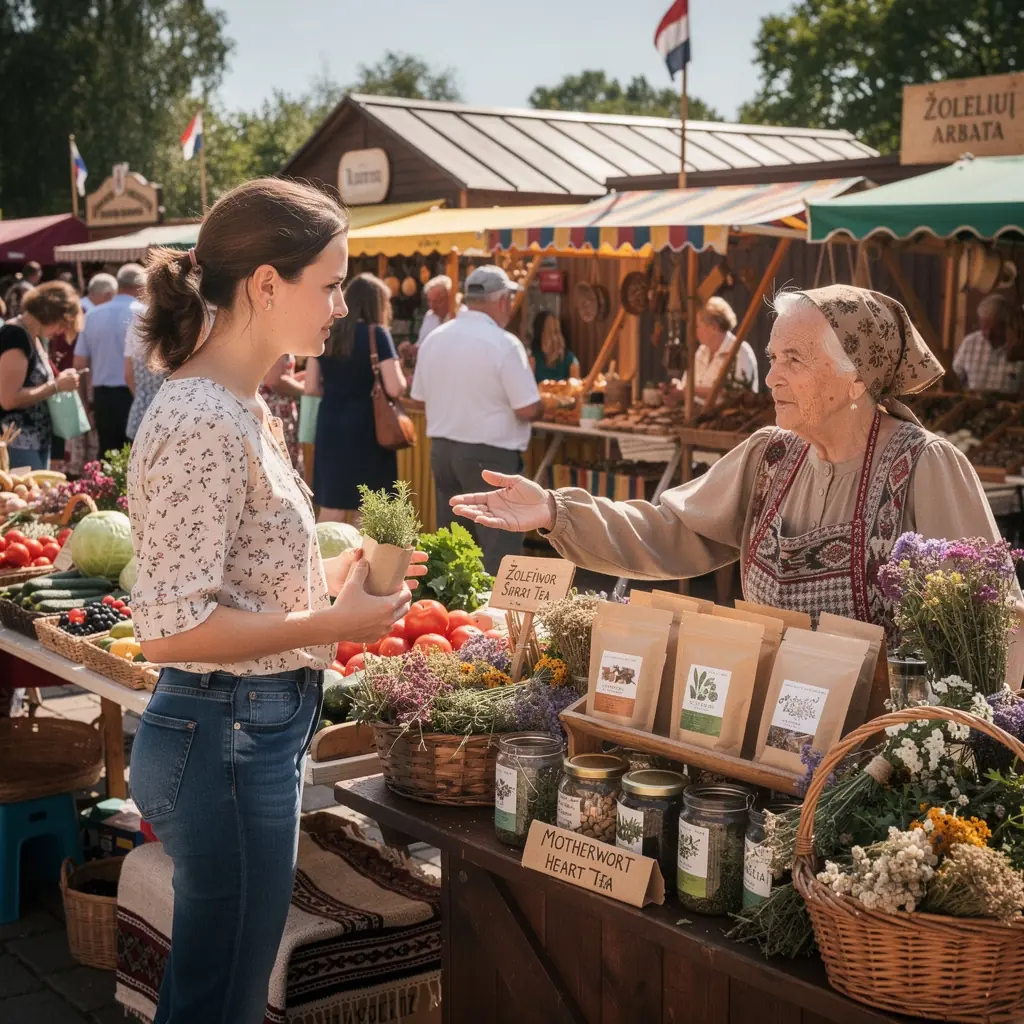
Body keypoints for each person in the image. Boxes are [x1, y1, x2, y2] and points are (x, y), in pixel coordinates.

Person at [127, 177, 426, 1024]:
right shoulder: (203, 417)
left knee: (224, 993)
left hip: (245, 730)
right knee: (220, 1003)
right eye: (328, 284)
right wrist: (335, 623)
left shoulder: (242, 404)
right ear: (266, 284)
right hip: (223, 736)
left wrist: (342, 578)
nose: (339, 305)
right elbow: (171, 630)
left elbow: (241, 580)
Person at [450, 284, 1024, 679]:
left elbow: (997, 626)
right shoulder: (768, 458)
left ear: (855, 379)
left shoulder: (926, 467)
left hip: (879, 761)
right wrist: (553, 510)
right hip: (772, 731)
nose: (771, 376)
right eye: (772, 358)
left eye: (793, 360)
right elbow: (669, 527)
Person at [412, 264, 542, 573]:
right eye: (508, 299)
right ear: (501, 301)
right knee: (498, 543)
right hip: (489, 456)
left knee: (455, 544)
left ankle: (455, 612)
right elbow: (527, 408)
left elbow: (418, 397)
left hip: (443, 450)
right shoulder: (504, 343)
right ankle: (493, 613)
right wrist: (543, 406)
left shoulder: (436, 337)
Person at [307, 273, 405, 523]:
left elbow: (310, 386)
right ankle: (365, 562)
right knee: (369, 509)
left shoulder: (327, 332)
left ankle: (325, 562)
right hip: (368, 429)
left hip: (330, 425)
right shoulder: (377, 335)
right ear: (377, 304)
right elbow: (394, 387)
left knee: (332, 505)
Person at [0, 281, 82, 470]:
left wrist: (59, 380)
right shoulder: (16, 336)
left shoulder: (32, 336)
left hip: (34, 441)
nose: (61, 331)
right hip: (17, 442)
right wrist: (56, 386)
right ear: (52, 315)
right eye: (62, 325)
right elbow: (8, 399)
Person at [74, 263, 145, 456]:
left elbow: (79, 364)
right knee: (137, 456)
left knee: (107, 457)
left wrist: (84, 403)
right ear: (141, 287)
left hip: (103, 397)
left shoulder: (92, 315)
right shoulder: (145, 314)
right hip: (137, 395)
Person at [679, 297, 759, 400]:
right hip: (697, 414)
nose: (694, 331)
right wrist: (677, 391)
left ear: (714, 326)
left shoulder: (740, 351)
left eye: (697, 326)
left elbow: (736, 394)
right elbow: (685, 385)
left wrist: (691, 391)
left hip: (729, 415)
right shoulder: (701, 351)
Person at [953, 294, 1023, 394]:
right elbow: (955, 378)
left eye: (993, 329)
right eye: (984, 328)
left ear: (1007, 324)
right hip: (972, 406)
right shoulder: (969, 343)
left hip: (1007, 408)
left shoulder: (1019, 348)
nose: (988, 334)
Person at [124, 309, 166, 442]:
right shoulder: (180, 322)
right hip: (168, 415)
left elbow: (128, 374)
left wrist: (141, 397)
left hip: (140, 412)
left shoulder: (138, 321)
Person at [258, 353, 303, 470]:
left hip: (283, 408)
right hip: (276, 410)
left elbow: (285, 378)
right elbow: (274, 380)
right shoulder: (280, 347)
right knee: (280, 458)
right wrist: (306, 390)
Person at [529, 309, 580, 383]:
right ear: (540, 335)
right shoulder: (532, 361)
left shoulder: (571, 360)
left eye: (557, 331)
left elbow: (576, 389)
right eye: (550, 332)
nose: (556, 338)